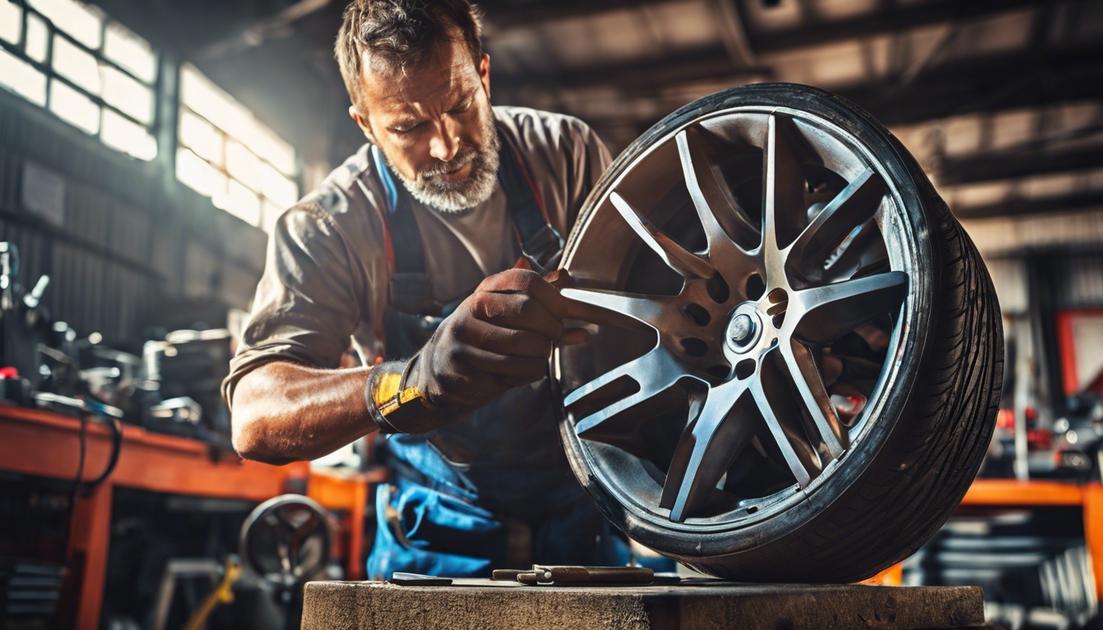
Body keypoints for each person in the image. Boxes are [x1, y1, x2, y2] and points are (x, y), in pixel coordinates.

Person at [223, 0, 624, 578]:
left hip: (586, 517)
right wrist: (410, 383)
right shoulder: (330, 227)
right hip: (434, 538)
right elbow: (255, 417)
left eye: (461, 104)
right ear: (365, 123)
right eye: (408, 127)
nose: (447, 146)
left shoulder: (567, 155)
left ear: (482, 75)